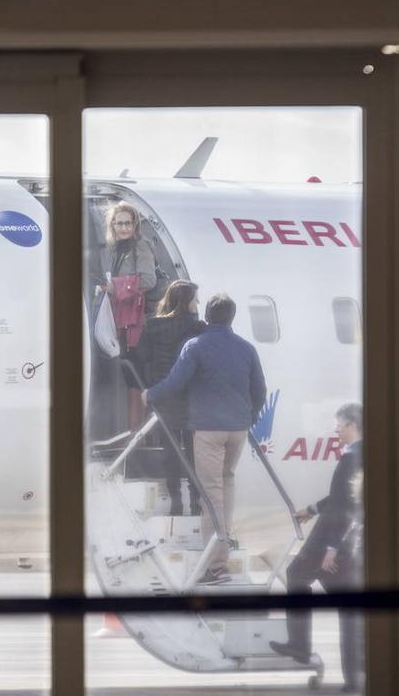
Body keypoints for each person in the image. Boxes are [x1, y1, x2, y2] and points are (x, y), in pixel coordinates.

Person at [142, 293, 266, 585]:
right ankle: (225, 538)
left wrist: (150, 394)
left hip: (209, 429)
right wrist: (249, 417)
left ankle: (217, 565)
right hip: (238, 430)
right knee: (226, 482)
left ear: (207, 316)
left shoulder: (195, 345)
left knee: (210, 493)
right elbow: (259, 390)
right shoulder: (247, 348)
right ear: (232, 317)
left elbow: (176, 382)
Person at [269, 403, 365, 693]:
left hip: (330, 541)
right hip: (345, 540)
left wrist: (332, 546)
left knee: (296, 575)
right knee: (348, 610)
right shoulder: (363, 454)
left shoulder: (352, 458)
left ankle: (299, 645)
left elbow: (345, 505)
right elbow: (341, 497)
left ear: (352, 425)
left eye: (339, 425)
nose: (336, 430)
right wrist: (311, 509)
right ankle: (354, 678)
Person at [134, 280, 205, 516]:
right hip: (190, 397)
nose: (198, 302)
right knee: (194, 454)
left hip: (163, 395)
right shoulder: (196, 327)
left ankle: (176, 502)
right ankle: (196, 502)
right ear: (186, 301)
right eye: (195, 298)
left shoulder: (153, 325)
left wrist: (152, 382)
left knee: (171, 452)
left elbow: (142, 356)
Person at [99, 201, 158, 428]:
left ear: (135, 225)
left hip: (138, 321)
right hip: (123, 319)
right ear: (112, 225)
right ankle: (133, 429)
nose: (124, 228)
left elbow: (149, 280)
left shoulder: (140, 246)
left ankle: (137, 431)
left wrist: (116, 286)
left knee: (136, 376)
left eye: (128, 223)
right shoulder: (115, 250)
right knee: (130, 375)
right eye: (119, 223)